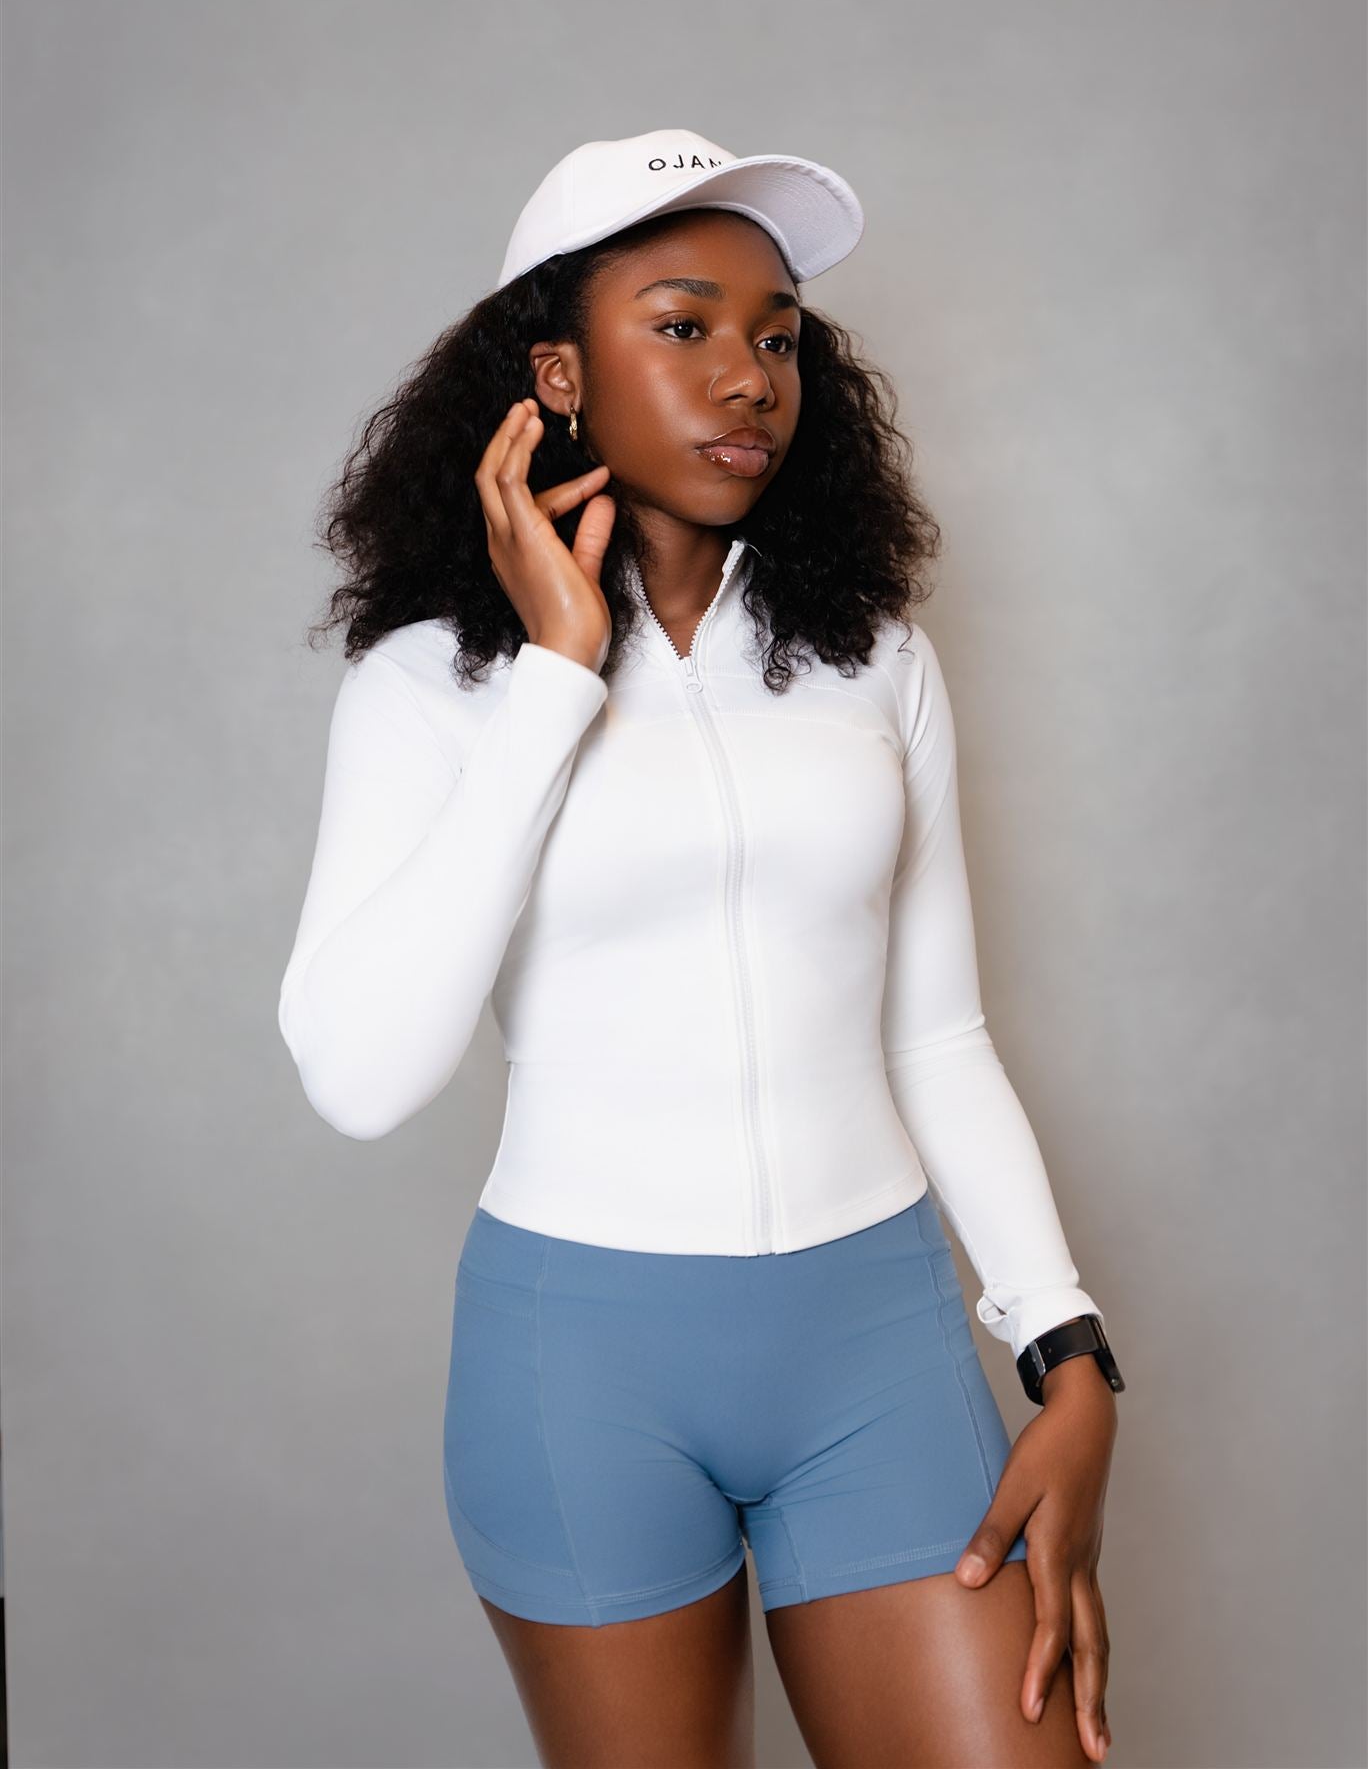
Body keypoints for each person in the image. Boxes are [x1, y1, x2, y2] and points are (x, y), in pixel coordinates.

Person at [278, 127, 1123, 1768]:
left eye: (778, 337)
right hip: (582, 1367)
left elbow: (936, 1034)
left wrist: (1065, 1343)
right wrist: (556, 674)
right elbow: (362, 1081)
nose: (750, 377)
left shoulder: (875, 659)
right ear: (557, 375)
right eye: (684, 326)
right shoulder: (426, 689)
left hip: (874, 1342)